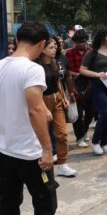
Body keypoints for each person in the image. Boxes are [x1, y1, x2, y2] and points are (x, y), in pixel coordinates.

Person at [0, 21, 79, 215]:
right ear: (40, 44)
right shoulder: (32, 69)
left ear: (17, 40)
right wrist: (48, 151)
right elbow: (35, 110)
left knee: (9, 204)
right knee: (45, 201)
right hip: (31, 155)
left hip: (2, 151)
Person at [36, 38, 77, 178]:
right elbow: (36, 90)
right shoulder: (36, 66)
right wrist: (43, 107)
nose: (54, 49)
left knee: (62, 134)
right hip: (42, 100)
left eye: (55, 47)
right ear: (42, 49)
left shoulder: (54, 62)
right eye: (51, 47)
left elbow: (58, 81)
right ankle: (40, 164)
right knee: (43, 134)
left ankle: (63, 164)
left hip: (57, 99)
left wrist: (64, 97)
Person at [79, 27, 107, 156]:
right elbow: (82, 69)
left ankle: (104, 143)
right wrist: (97, 74)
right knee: (105, 114)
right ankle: (95, 141)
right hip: (98, 86)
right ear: (102, 37)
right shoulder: (92, 52)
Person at [65, 29, 94, 148]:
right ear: (74, 42)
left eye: (84, 42)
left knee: (91, 112)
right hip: (75, 84)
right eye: (79, 42)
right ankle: (79, 137)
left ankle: (85, 130)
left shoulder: (91, 52)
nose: (82, 44)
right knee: (78, 113)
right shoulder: (69, 53)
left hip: (90, 84)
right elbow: (67, 71)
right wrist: (77, 74)